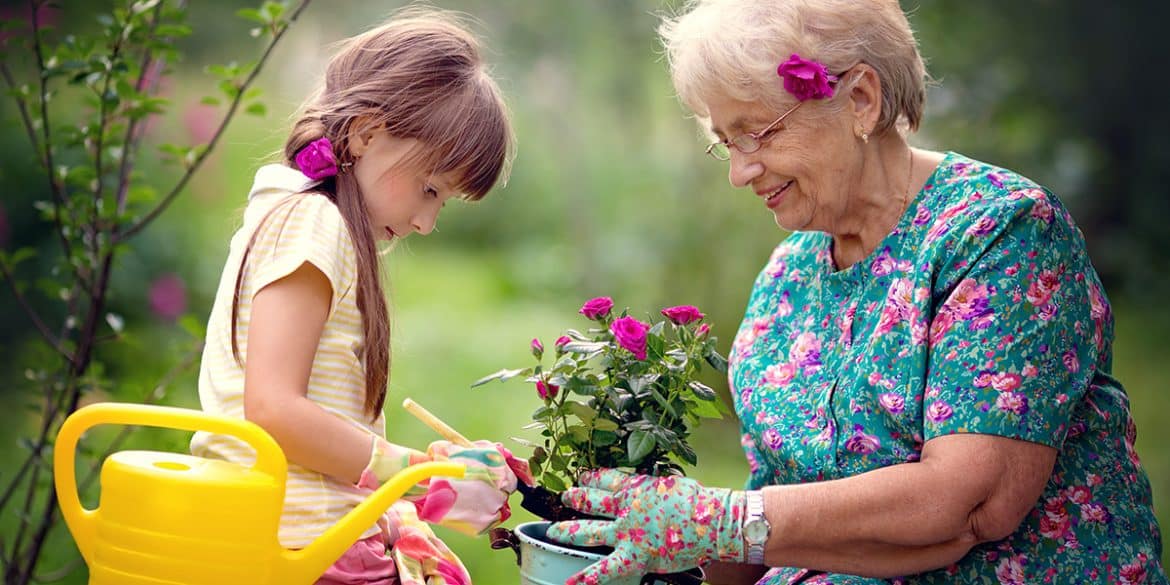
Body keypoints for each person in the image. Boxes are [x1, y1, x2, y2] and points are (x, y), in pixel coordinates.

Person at [547, 1, 1167, 584]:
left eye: (759, 133)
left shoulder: (998, 232)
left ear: (862, 100)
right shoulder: (786, 277)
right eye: (726, 142)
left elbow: (969, 504)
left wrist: (717, 519)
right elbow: (773, 524)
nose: (740, 172)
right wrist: (618, 539)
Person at [190, 8, 525, 584]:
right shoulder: (313, 224)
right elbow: (272, 407)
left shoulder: (310, 220)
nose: (427, 222)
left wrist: (416, 484)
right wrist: (411, 478)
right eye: (429, 189)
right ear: (367, 133)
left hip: (301, 527)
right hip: (300, 544)